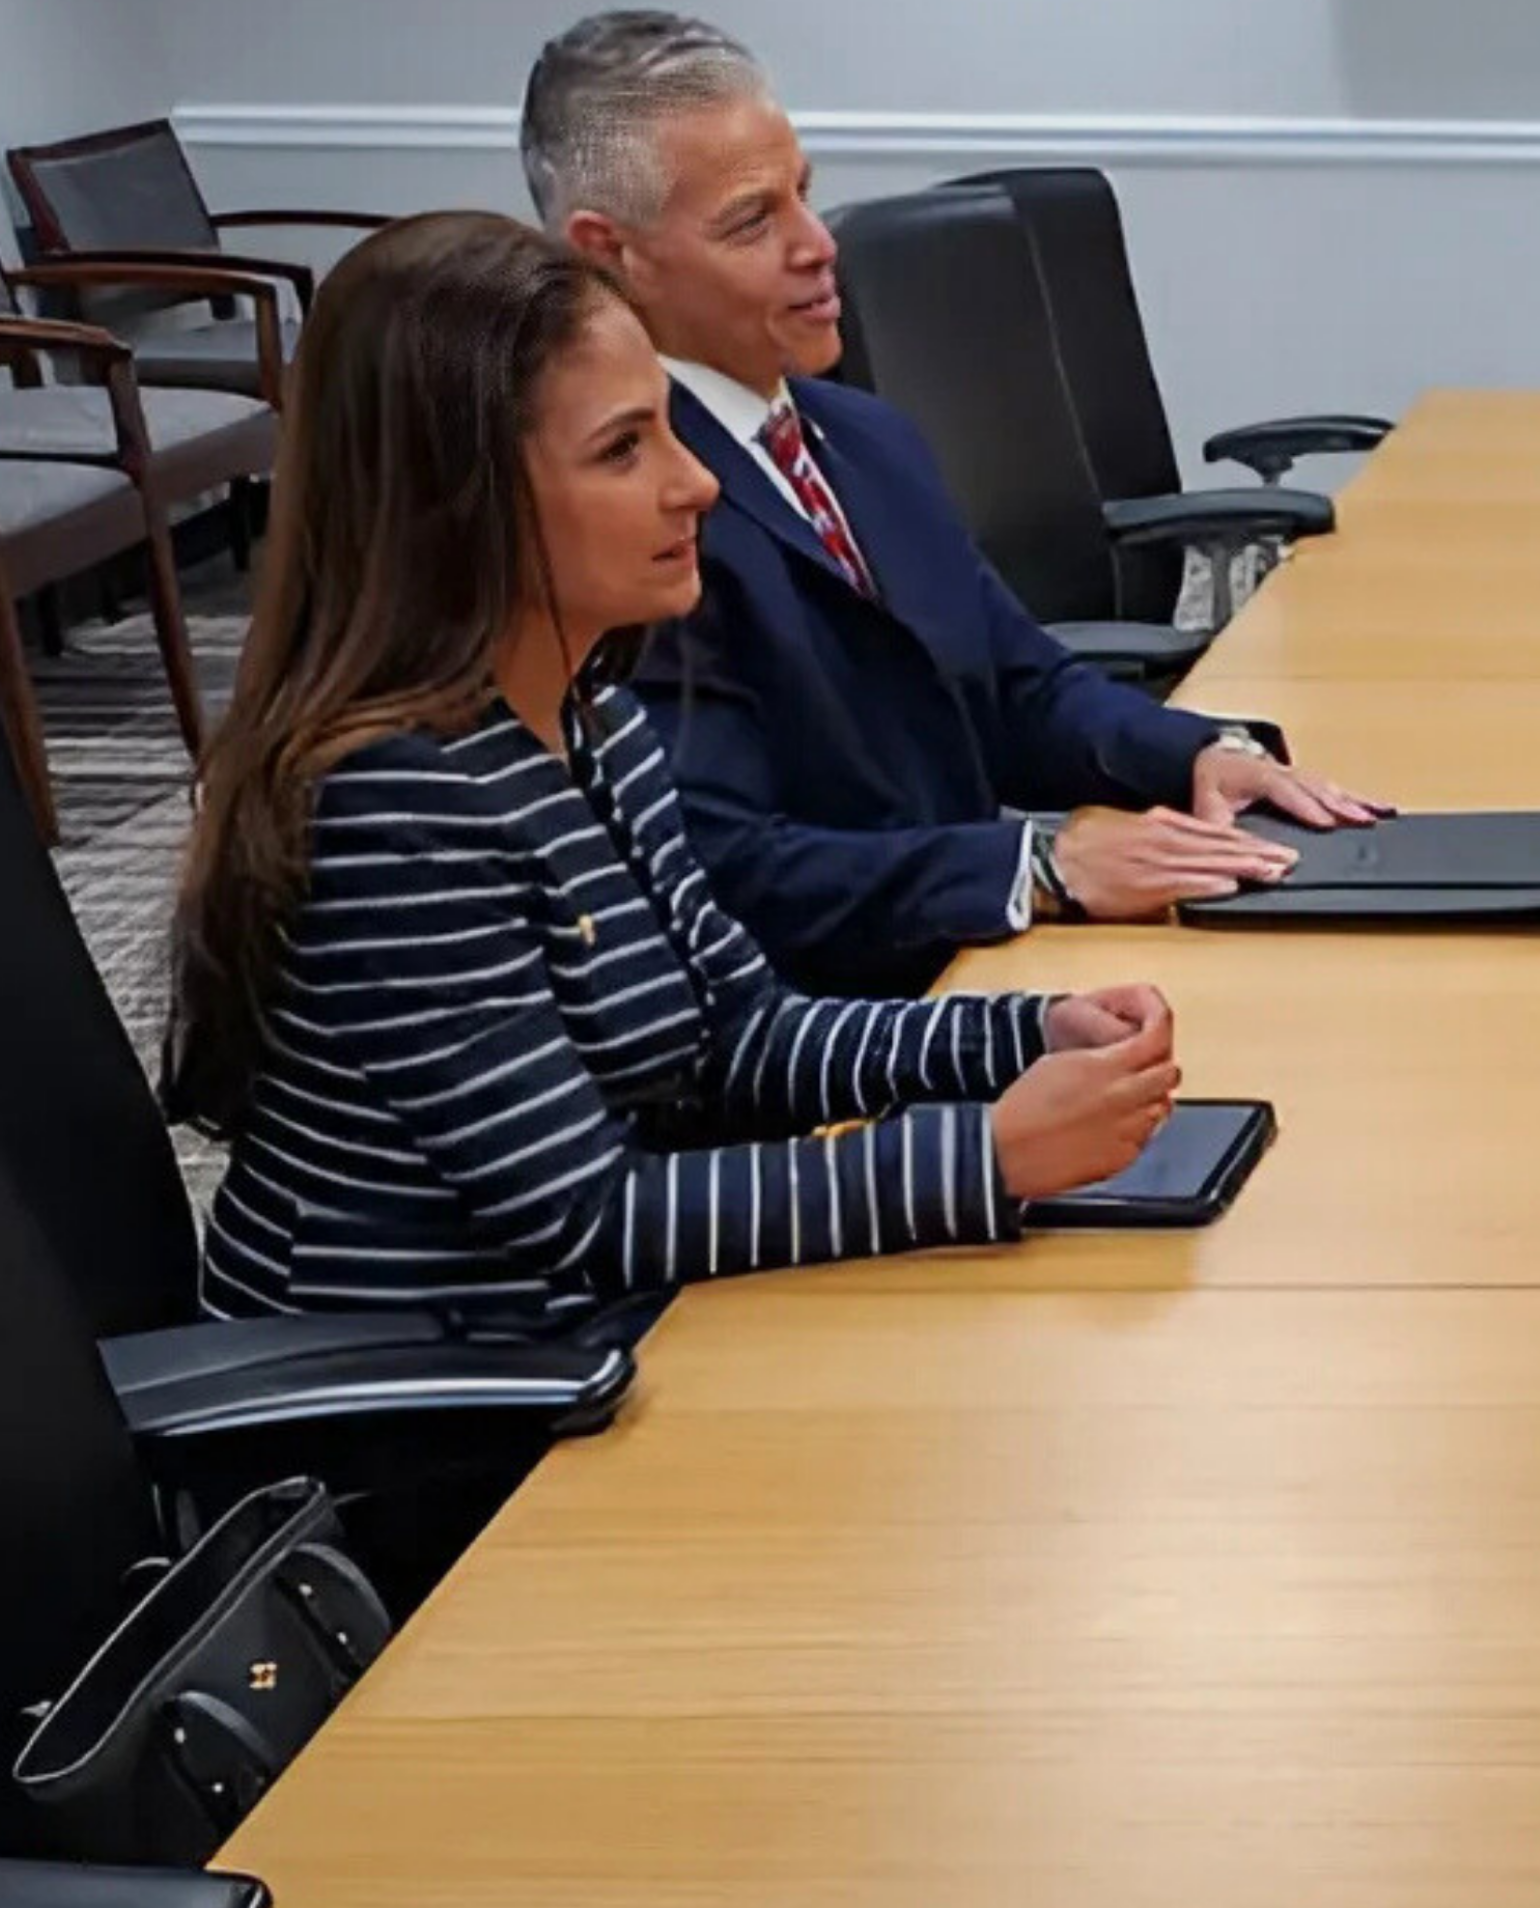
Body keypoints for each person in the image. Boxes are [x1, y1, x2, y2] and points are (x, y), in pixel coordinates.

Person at [175, 214, 1188, 1333]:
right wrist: (983, 1153)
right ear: (459, 507)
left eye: (671, 429)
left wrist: (1026, 1035)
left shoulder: (595, 716)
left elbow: (736, 1037)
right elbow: (588, 1217)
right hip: (438, 1421)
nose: (696, 483)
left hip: (591, 1337)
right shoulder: (399, 802)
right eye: (624, 450)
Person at [517, 11, 1386, 997]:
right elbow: (726, 868)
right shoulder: (629, 520)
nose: (817, 246)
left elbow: (1019, 684)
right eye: (753, 222)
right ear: (610, 254)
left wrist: (1196, 753)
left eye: (806, 195)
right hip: (839, 1034)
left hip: (981, 980)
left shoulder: (866, 436)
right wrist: (1038, 868)